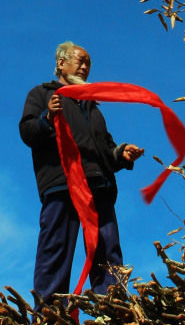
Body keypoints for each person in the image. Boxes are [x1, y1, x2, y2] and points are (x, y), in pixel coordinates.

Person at [19, 42, 144, 303]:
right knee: (55, 251)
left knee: (108, 253)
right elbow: (28, 132)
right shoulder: (42, 94)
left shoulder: (92, 106)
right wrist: (46, 117)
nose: (85, 67)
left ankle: (112, 309)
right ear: (61, 63)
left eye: (88, 63)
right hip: (62, 185)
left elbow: (105, 149)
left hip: (98, 187)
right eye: (80, 61)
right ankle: (51, 316)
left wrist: (121, 154)